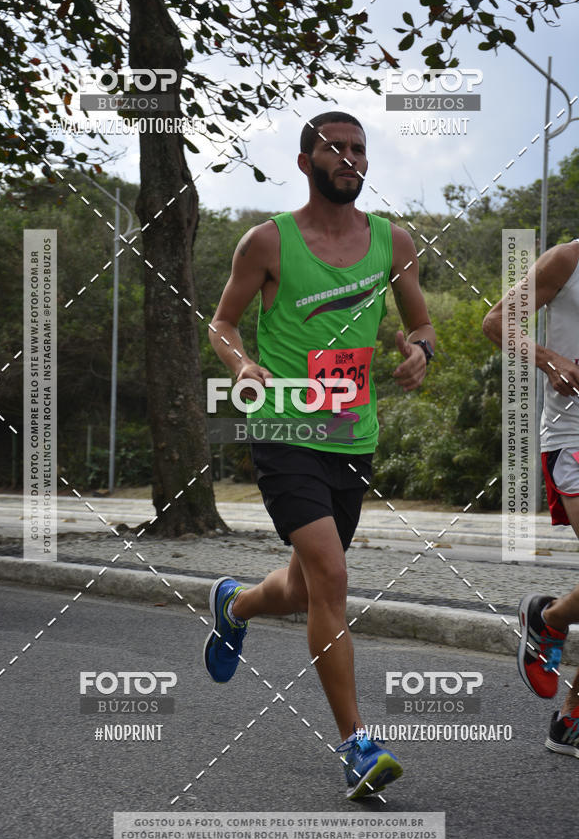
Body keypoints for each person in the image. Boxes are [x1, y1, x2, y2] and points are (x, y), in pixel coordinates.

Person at [205, 111, 436, 797]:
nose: (350, 158)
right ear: (306, 162)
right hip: (284, 430)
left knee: (306, 587)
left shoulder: (393, 242)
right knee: (332, 576)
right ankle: (357, 745)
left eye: (359, 149)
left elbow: (422, 322)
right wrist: (242, 364)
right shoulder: (266, 242)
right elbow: (222, 323)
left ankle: (235, 605)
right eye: (335, 148)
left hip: (352, 437)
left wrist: (420, 351)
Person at [483, 239, 579, 758]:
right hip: (573, 435)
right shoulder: (568, 260)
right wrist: (548, 359)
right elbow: (497, 322)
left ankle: (571, 717)